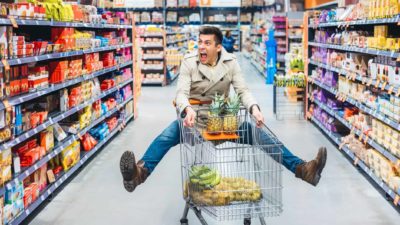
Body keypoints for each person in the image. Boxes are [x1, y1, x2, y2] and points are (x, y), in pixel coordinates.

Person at [120, 26, 327, 193]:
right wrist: (187, 109)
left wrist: (254, 108)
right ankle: (138, 174)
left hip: (224, 122)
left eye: (207, 43)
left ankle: (303, 169)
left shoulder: (231, 63)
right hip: (196, 122)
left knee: (262, 136)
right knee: (167, 136)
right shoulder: (189, 62)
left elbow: (243, 90)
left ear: (218, 47)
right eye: (200, 42)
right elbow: (180, 93)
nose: (201, 47)